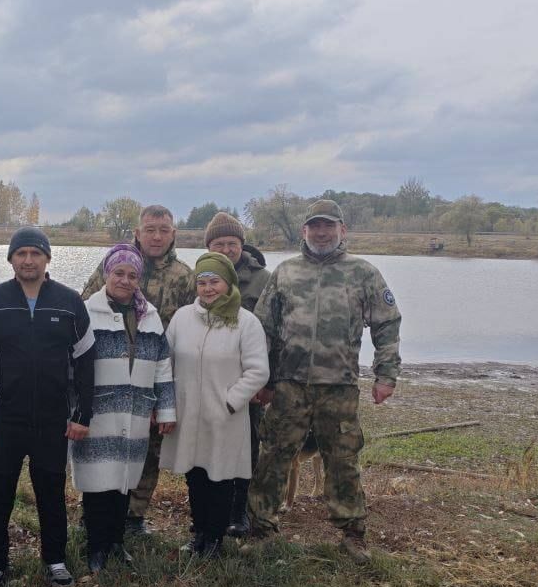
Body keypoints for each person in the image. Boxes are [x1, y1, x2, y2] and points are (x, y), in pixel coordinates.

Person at [247, 199, 402, 565]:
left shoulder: (363, 273)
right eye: (315, 226)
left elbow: (387, 324)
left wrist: (386, 374)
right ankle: (261, 530)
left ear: (342, 231)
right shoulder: (285, 273)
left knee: (343, 459)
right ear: (305, 231)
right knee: (273, 455)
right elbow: (261, 330)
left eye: (328, 226)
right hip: (289, 385)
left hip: (340, 386)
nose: (321, 232)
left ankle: (352, 535)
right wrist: (261, 378)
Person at [0, 226, 96, 587]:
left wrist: (83, 415)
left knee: (51, 493)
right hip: (3, 418)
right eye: (20, 254)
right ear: (11, 259)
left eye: (35, 253)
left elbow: (86, 363)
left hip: (54, 420)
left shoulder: (69, 303)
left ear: (47, 259)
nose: (28, 260)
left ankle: (55, 560)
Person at [81, 205, 194, 536]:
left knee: (147, 450)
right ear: (138, 232)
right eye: (150, 229)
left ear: (173, 234)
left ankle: (133, 516)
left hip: (157, 374)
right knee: (104, 443)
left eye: (163, 229)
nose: (156, 236)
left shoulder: (185, 277)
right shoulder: (116, 264)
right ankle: (95, 514)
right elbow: (84, 310)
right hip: (109, 376)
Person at [70, 244, 176, 573]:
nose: (125, 280)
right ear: (106, 274)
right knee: (98, 482)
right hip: (97, 412)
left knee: (124, 482)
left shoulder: (150, 317)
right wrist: (74, 412)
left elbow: (162, 367)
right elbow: (70, 367)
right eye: (119, 273)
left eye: (132, 275)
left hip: (136, 412)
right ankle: (96, 547)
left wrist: (167, 409)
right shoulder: (86, 312)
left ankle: (116, 543)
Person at [160, 252, 269, 558]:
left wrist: (231, 402)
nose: (208, 288)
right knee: (194, 475)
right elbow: (165, 361)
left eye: (215, 282)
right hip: (188, 413)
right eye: (202, 282)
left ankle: (215, 539)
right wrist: (169, 402)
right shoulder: (182, 318)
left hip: (224, 416)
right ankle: (199, 534)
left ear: (228, 282)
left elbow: (258, 370)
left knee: (220, 477)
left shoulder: (245, 323)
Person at [201, 211, 271, 537]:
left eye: (232, 243)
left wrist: (265, 380)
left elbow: (275, 329)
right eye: (219, 243)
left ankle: (240, 510)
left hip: (251, 380)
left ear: (242, 245)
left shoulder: (263, 279)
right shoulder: (203, 276)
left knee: (248, 443)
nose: (226, 249)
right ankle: (211, 508)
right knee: (213, 441)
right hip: (213, 378)